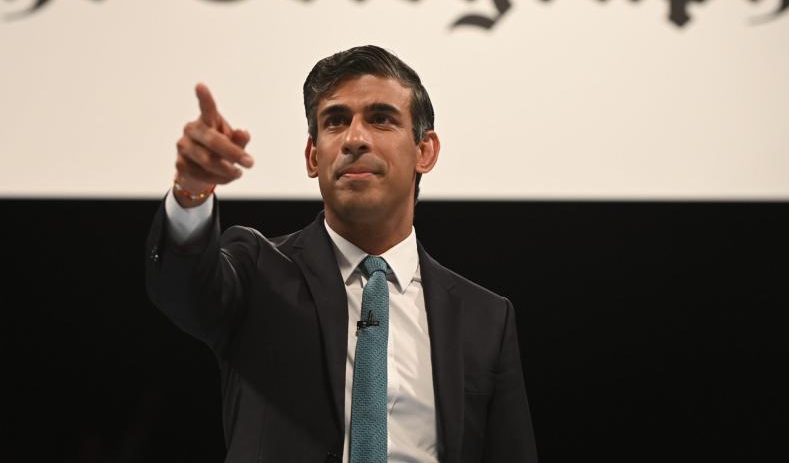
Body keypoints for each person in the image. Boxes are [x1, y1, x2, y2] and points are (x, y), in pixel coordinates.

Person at [145, 45, 537, 462]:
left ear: (425, 151)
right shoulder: (257, 270)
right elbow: (181, 289)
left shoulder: (486, 319)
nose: (354, 138)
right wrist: (191, 192)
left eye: (381, 119)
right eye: (335, 121)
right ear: (314, 157)